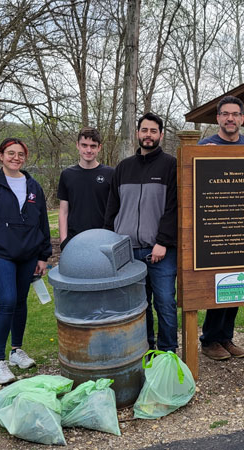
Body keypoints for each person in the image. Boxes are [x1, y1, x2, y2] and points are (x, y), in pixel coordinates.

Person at [0, 137, 52, 384]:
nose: (16, 158)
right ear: (0, 156)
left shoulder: (33, 186)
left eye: (20, 154)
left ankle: (16, 351)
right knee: (6, 301)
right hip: (1, 254)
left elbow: (42, 223)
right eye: (11, 153)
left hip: (28, 254)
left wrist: (43, 255)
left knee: (20, 302)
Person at [104, 112, 178, 352]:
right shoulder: (124, 168)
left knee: (165, 303)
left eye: (153, 131)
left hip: (160, 251)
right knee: (138, 305)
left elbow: (174, 207)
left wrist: (163, 241)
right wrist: (109, 242)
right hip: (128, 252)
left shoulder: (171, 166)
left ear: (161, 135)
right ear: (138, 133)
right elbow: (112, 208)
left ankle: (168, 353)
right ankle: (145, 348)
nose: (148, 135)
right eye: (144, 130)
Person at [198, 95, 244, 360]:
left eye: (235, 114)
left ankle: (226, 338)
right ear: (218, 118)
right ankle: (209, 340)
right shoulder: (205, 145)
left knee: (238, 285)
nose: (230, 118)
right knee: (216, 286)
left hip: (243, 225)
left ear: (242, 119)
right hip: (214, 227)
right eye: (225, 114)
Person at [57, 127, 114, 250]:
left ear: (99, 147)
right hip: (74, 240)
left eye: (93, 146)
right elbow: (63, 211)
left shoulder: (111, 174)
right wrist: (63, 241)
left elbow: (116, 209)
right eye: (84, 145)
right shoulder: (67, 174)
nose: (88, 150)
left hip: (104, 239)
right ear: (77, 145)